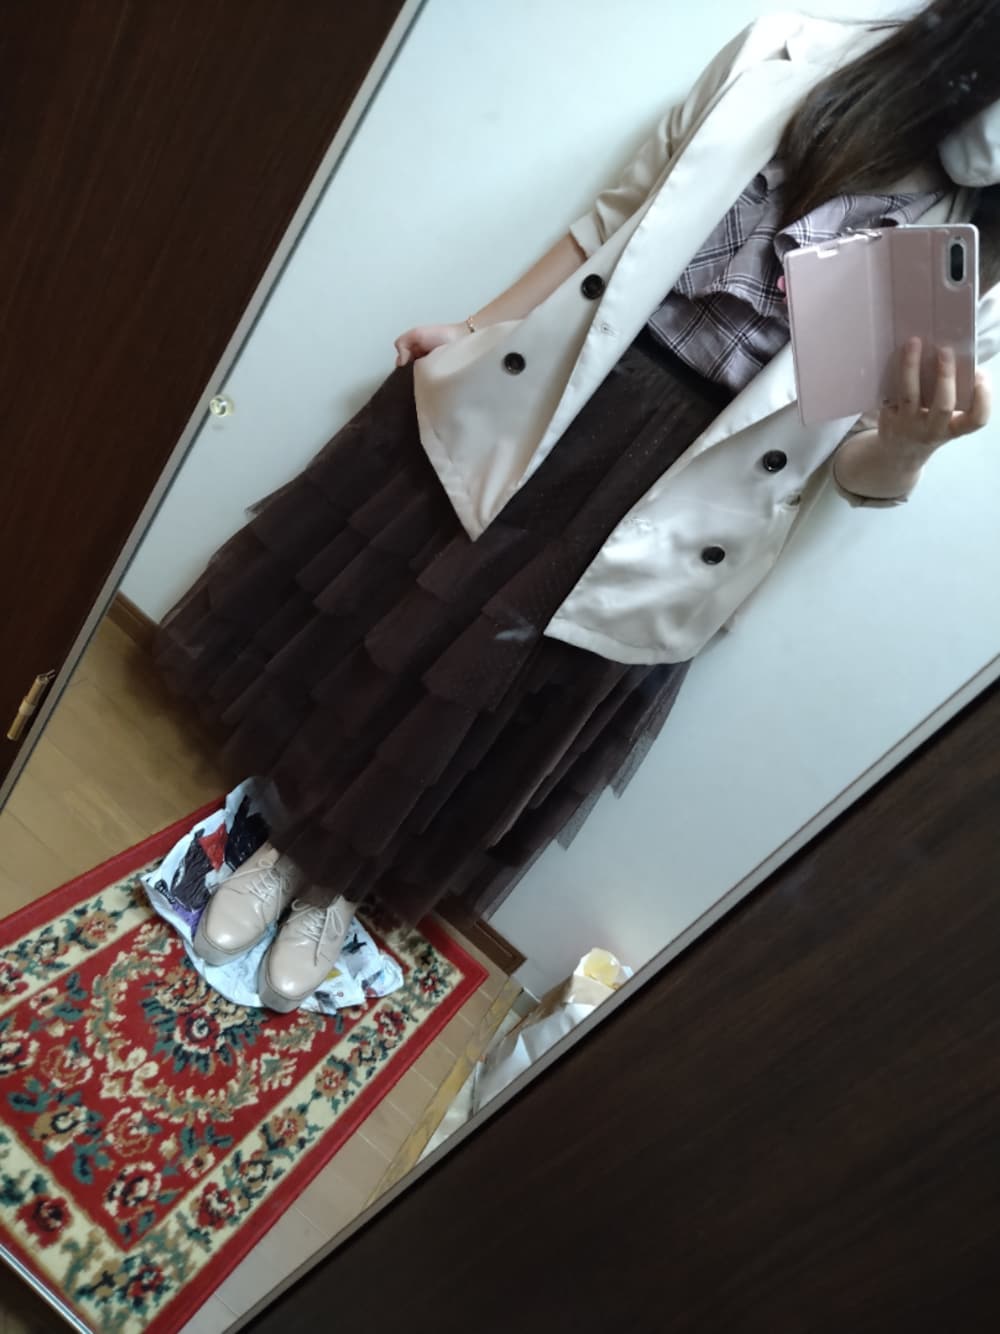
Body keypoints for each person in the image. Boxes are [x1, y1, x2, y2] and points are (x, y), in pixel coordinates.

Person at [155, 2, 1000, 1012]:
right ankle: (288, 843)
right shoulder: (798, 53)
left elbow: (854, 472)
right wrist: (480, 325)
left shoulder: (983, 261)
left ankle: (330, 882)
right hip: (572, 382)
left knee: (489, 688)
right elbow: (614, 214)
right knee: (412, 632)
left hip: (698, 477)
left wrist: (909, 442)